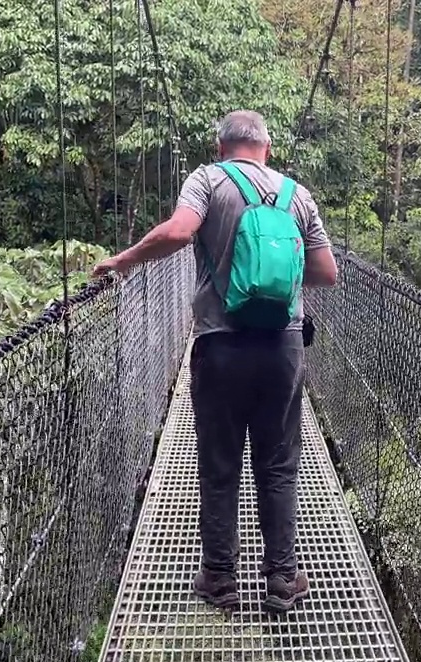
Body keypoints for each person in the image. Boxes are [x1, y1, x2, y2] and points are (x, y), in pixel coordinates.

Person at [91, 109, 338, 613]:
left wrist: (123, 260)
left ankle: (220, 580)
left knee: (220, 464)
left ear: (220, 146)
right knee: (278, 465)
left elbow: (180, 233)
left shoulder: (207, 178)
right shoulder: (298, 195)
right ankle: (282, 580)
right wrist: (276, 287)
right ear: (266, 146)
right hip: (283, 347)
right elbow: (326, 272)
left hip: (221, 344)